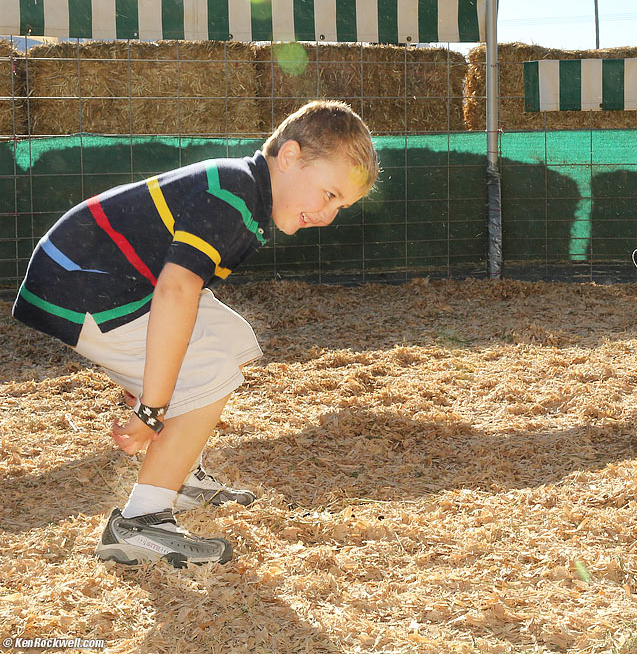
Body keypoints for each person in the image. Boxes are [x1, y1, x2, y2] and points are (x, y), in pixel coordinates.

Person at [11, 100, 378, 566]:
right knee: (209, 372)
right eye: (328, 194)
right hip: (82, 287)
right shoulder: (233, 197)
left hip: (95, 277)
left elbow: (181, 290)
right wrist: (151, 410)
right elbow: (176, 293)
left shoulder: (244, 191)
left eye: (340, 206)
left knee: (230, 338)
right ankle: (140, 522)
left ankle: (176, 470)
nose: (328, 216)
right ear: (289, 157)